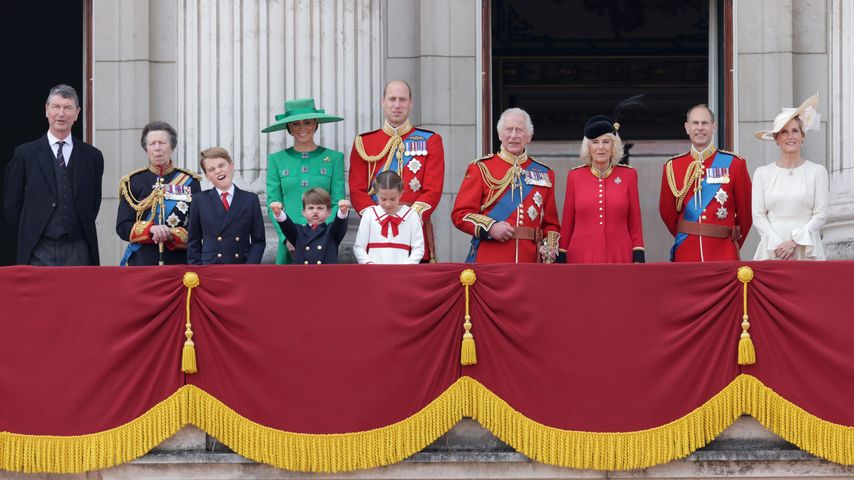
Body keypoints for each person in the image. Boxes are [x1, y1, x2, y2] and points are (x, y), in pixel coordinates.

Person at [4, 84, 104, 266]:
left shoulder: (92, 156)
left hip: (79, 249)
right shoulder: (25, 154)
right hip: (38, 249)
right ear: (46, 110)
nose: (61, 113)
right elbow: (12, 204)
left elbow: (93, 202)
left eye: (67, 108)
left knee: (78, 295)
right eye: (56, 107)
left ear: (77, 113)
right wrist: (31, 230)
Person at [349, 80, 444, 262]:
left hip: (413, 232)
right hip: (375, 234)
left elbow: (433, 190)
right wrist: (376, 219)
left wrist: (407, 218)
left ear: (411, 103)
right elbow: (356, 190)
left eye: (403, 99)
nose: (397, 105)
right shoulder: (364, 143)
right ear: (382, 102)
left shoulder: (431, 141)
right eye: (392, 99)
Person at [451, 108, 560, 263]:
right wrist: (491, 228)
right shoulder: (481, 168)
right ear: (500, 134)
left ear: (529, 136)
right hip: (490, 259)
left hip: (529, 262)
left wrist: (549, 247)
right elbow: (460, 214)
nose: (514, 135)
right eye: (509, 130)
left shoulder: (545, 173)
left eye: (520, 130)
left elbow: (551, 224)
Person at [659, 105, 752, 261]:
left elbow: (746, 214)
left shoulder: (735, 164)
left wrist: (731, 242)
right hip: (687, 251)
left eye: (705, 123)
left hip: (723, 251)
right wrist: (688, 232)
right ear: (687, 128)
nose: (700, 128)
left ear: (713, 127)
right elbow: (667, 212)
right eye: (695, 123)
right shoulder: (672, 166)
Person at [263, 97, 345, 264]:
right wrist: (286, 239)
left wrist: (324, 234)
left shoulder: (334, 158)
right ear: (289, 128)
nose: (302, 128)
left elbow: (337, 202)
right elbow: (273, 204)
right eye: (295, 124)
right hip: (289, 244)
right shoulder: (276, 160)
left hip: (324, 244)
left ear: (316, 124)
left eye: (307, 122)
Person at [752, 94, 828, 260]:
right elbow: (758, 216)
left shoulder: (817, 171)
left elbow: (821, 214)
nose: (790, 136)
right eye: (784, 132)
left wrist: (794, 242)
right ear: (776, 139)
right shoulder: (762, 173)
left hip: (806, 248)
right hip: (773, 249)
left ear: (802, 137)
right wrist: (777, 244)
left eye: (795, 131)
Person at [559, 115, 644, 263]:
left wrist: (638, 253)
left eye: (606, 142)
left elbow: (635, 222)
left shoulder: (628, 175)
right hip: (581, 254)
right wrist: (562, 254)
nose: (600, 147)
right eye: (595, 142)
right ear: (588, 147)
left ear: (613, 147)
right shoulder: (574, 176)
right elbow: (567, 223)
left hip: (619, 254)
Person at [117, 121, 201, 266]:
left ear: (172, 147)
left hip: (179, 262)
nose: (157, 148)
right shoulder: (132, 182)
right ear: (146, 149)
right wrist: (151, 229)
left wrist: (171, 233)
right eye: (152, 144)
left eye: (162, 143)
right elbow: (123, 227)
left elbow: (198, 227)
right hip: (142, 261)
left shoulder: (190, 181)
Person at [187, 147, 266, 264]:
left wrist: (250, 268)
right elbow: (193, 241)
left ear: (231, 166)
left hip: (241, 266)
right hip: (210, 268)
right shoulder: (199, 200)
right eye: (211, 169)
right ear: (207, 176)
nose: (218, 171)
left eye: (221, 165)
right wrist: (198, 270)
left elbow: (258, 241)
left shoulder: (250, 200)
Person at [353, 171, 425, 264]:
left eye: (392, 199)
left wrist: (407, 267)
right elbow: (359, 246)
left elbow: (418, 248)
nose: (388, 204)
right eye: (383, 199)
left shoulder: (411, 215)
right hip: (373, 272)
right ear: (376, 194)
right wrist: (368, 264)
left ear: (401, 194)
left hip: (402, 273)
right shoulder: (369, 214)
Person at [269, 188, 350, 265]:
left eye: (320, 208)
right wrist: (278, 213)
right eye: (311, 208)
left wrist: (342, 211)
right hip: (302, 275)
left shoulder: (331, 231)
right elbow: (286, 225)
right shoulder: (298, 231)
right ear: (303, 212)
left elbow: (340, 224)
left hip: (326, 275)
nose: (315, 211)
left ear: (329, 212)